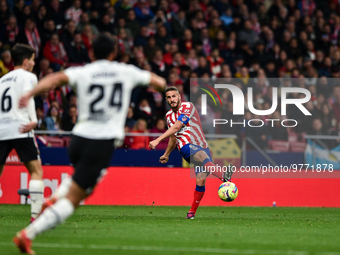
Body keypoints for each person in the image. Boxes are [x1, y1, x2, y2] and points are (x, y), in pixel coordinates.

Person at [13, 33, 166, 254]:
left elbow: (55, 79)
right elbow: (160, 82)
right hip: (101, 143)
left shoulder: (82, 71)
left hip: (78, 140)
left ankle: (56, 196)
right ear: (114, 52)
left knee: (90, 178)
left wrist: (30, 94)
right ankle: (28, 234)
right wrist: (165, 91)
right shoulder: (126, 72)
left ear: (91, 52)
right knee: (75, 200)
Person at [149, 86, 233, 219]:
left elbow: (177, 126)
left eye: (174, 96)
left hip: (202, 145)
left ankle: (191, 212)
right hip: (186, 146)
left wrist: (158, 142)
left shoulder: (188, 106)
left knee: (200, 179)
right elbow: (174, 136)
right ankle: (223, 176)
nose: (172, 99)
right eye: (169, 97)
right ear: (166, 100)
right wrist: (166, 152)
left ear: (179, 97)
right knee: (202, 157)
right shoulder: (168, 116)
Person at [0, 44, 44, 224]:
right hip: (21, 127)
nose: (34, 63)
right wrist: (33, 119)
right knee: (36, 170)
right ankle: (35, 216)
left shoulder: (2, 80)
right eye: (33, 59)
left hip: (1, 129)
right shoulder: (29, 76)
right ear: (26, 62)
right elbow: (28, 96)